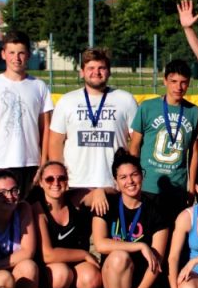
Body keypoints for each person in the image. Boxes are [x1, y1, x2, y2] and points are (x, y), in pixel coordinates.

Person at [47, 48, 139, 215]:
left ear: (109, 71)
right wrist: (60, 177)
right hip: (76, 184)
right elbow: (54, 142)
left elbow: (137, 141)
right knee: (77, 240)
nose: (96, 72)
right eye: (91, 68)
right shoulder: (68, 101)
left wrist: (127, 175)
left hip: (112, 184)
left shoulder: (125, 99)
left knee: (108, 239)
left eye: (101, 68)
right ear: (82, 72)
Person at [92, 152, 172, 288]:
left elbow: (156, 264)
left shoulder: (157, 210)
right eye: (123, 177)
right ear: (116, 181)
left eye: (134, 174)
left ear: (142, 175)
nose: (130, 181)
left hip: (145, 279)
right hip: (115, 274)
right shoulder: (107, 204)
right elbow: (101, 244)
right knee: (120, 256)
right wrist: (140, 246)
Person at [0, 31, 54, 197]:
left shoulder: (39, 86)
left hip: (30, 164)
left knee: (28, 216)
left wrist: (43, 163)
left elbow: (45, 129)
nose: (16, 58)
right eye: (11, 53)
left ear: (28, 55)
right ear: (3, 54)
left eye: (21, 53)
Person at [128, 59, 198, 216]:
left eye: (183, 82)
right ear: (165, 80)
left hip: (177, 186)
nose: (178, 87)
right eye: (173, 81)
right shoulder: (147, 107)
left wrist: (191, 186)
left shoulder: (194, 112)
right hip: (148, 185)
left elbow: (194, 153)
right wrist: (132, 178)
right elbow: (134, 146)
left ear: (188, 83)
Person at [32, 162, 102, 288]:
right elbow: (48, 255)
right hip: (49, 267)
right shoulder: (38, 210)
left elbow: (108, 193)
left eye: (61, 178)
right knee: (62, 274)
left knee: (93, 278)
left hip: (73, 263)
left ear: (67, 181)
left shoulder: (75, 199)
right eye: (49, 179)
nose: (56, 183)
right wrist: (84, 254)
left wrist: (99, 192)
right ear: (41, 183)